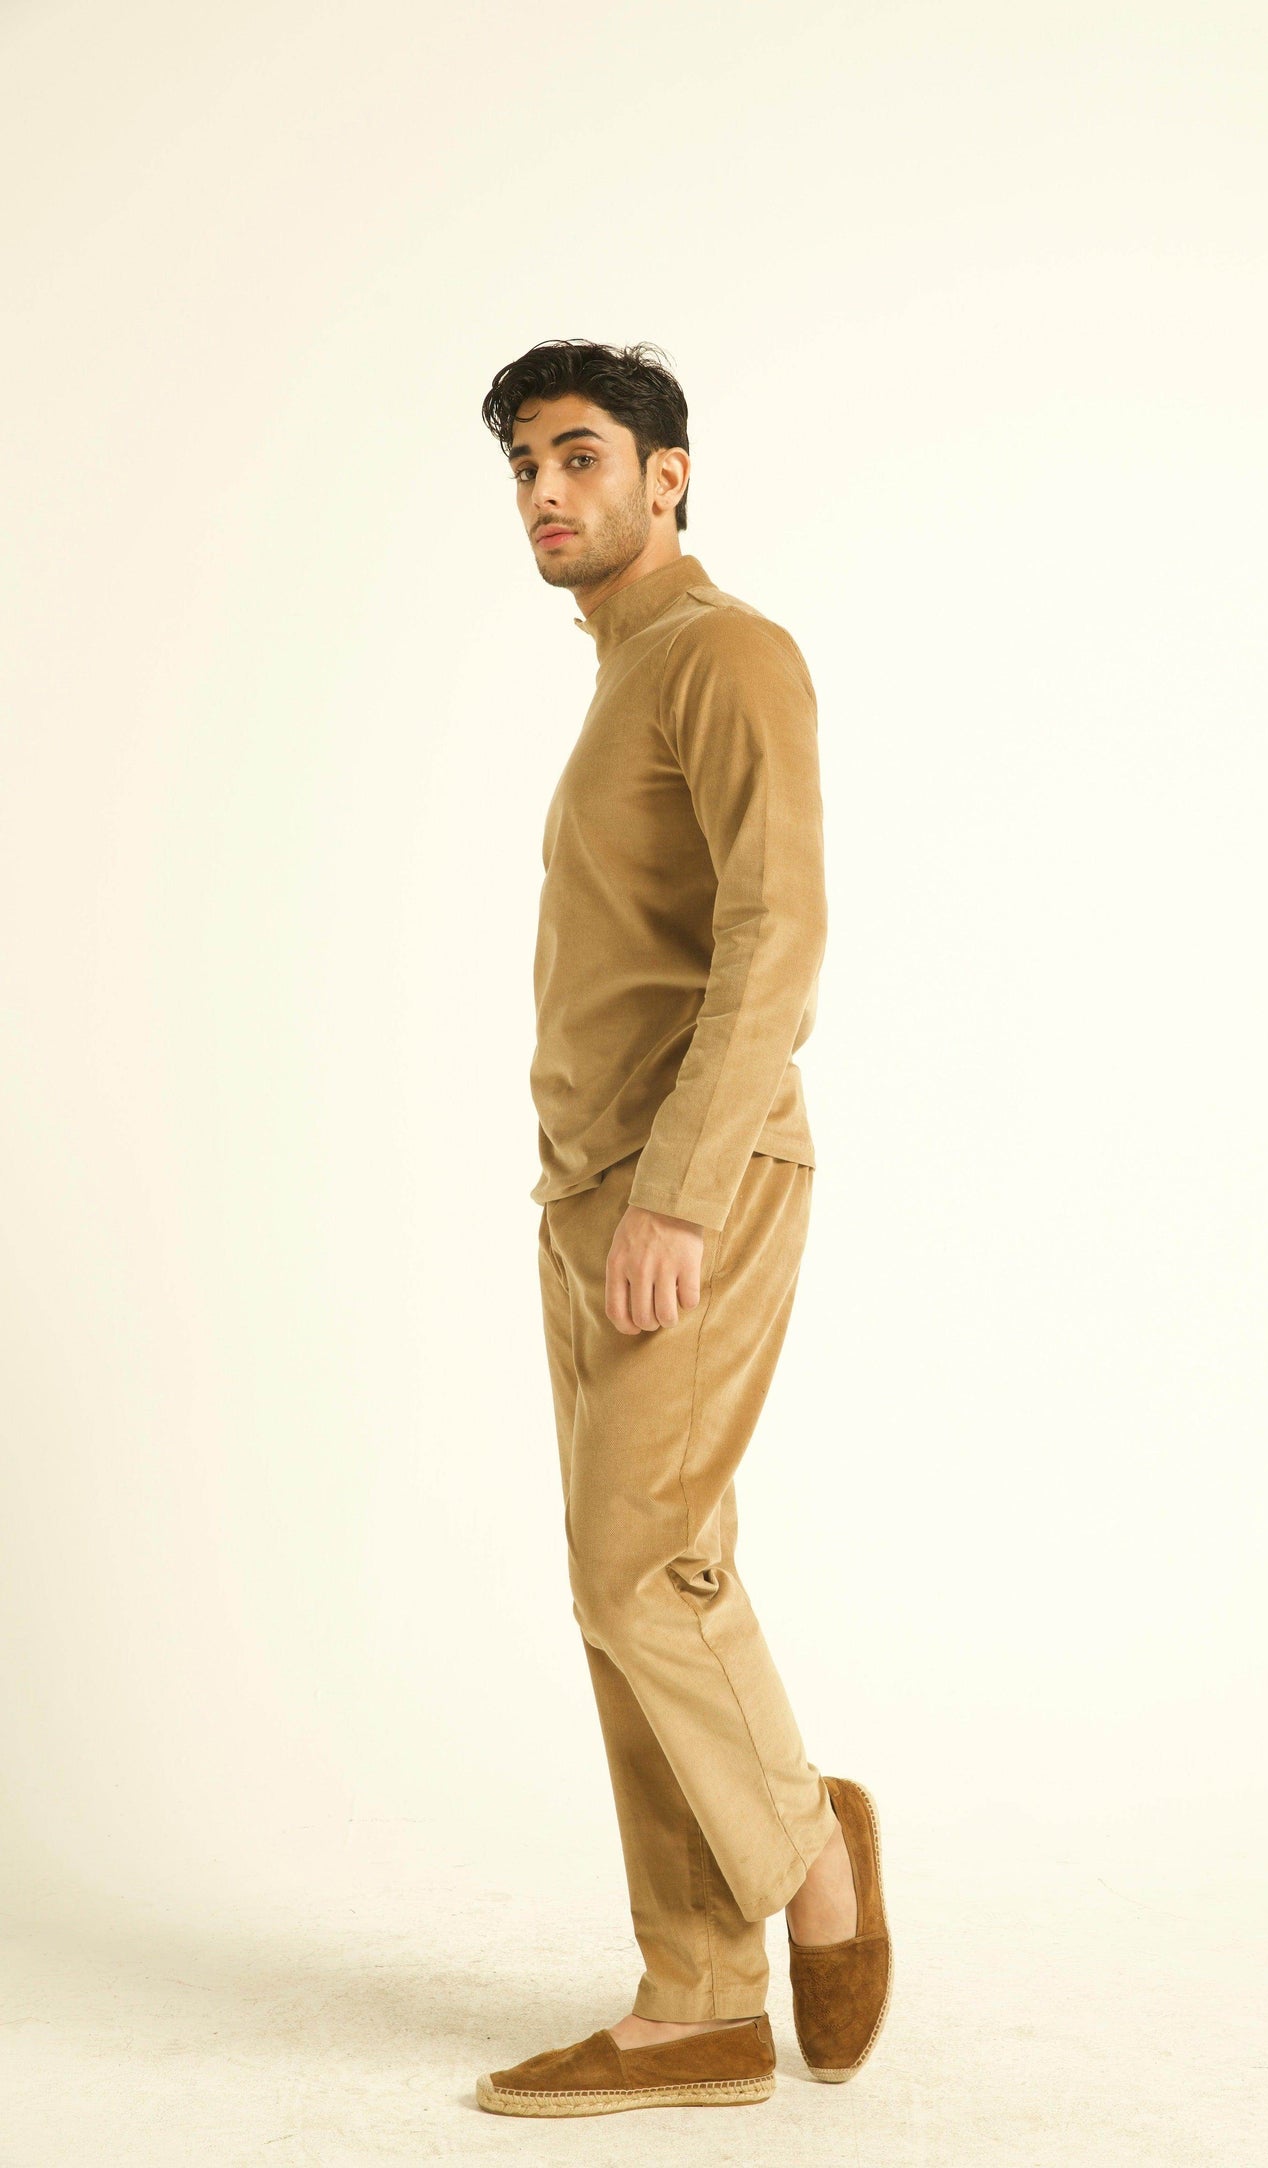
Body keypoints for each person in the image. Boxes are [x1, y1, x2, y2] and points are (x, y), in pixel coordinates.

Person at [473, 339, 892, 2119]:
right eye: (522, 466)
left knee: (629, 1573)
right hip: (590, 1196)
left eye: (579, 455)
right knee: (643, 1586)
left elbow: (774, 935)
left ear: (669, 476)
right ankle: (700, 2004)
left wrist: (675, 1194)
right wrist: (600, 1195)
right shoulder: (621, 674)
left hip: (685, 1194)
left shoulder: (725, 653)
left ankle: (808, 1851)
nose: (544, 491)